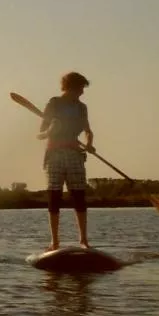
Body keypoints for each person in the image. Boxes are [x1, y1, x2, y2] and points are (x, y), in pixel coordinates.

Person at [39, 71, 95, 250]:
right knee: (54, 196)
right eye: (80, 89)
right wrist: (50, 131)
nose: (82, 93)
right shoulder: (54, 104)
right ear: (70, 87)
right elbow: (40, 134)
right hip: (54, 154)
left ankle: (84, 241)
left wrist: (89, 143)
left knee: (79, 195)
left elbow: (88, 130)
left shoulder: (81, 108)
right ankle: (54, 242)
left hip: (74, 155)